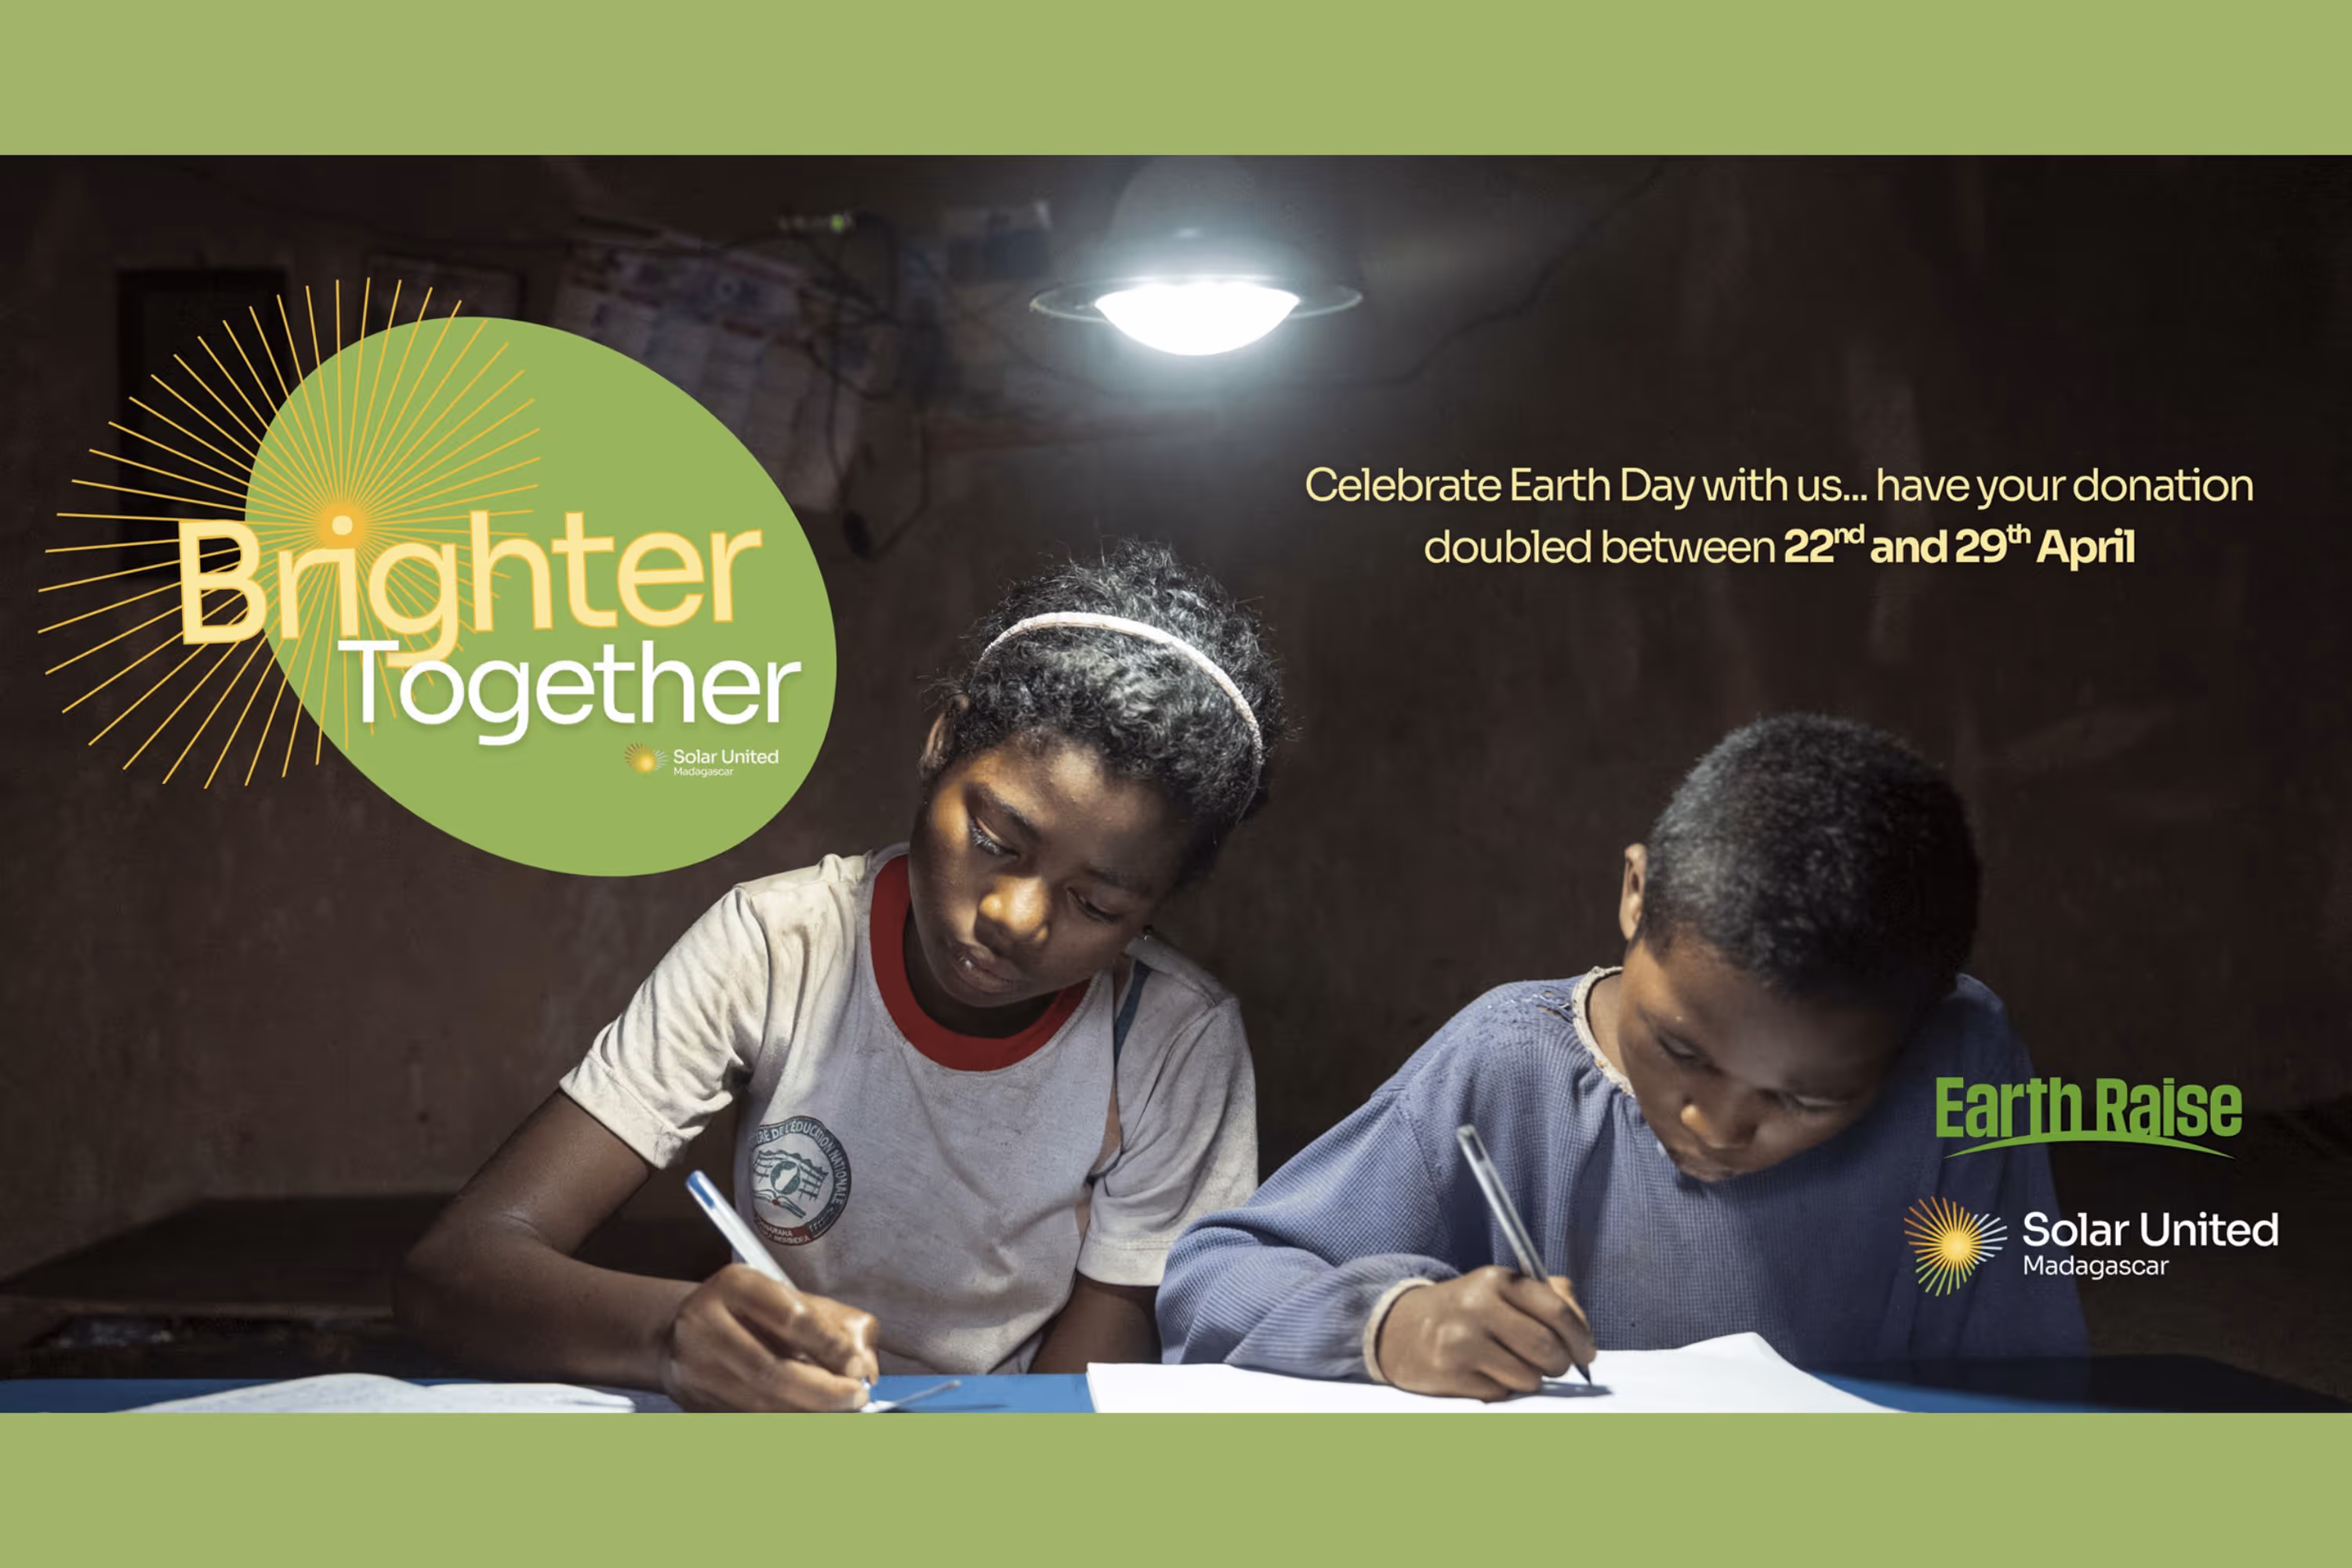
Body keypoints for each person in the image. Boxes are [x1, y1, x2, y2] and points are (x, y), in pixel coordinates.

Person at [397, 541, 1287, 1410]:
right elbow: (454, 1271)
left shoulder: (1175, 1041)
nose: (1016, 918)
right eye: (995, 842)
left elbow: (1087, 1378)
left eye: (1097, 904)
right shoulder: (780, 943)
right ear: (942, 742)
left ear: (1161, 902)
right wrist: (669, 1332)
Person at [1158, 713, 2087, 1399]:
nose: (1716, 1124)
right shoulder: (1508, 1066)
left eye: (1810, 1098)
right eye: (1681, 1047)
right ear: (1636, 895)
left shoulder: (1960, 1063)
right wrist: (1396, 1321)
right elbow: (1214, 1275)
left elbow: (2027, 1377)